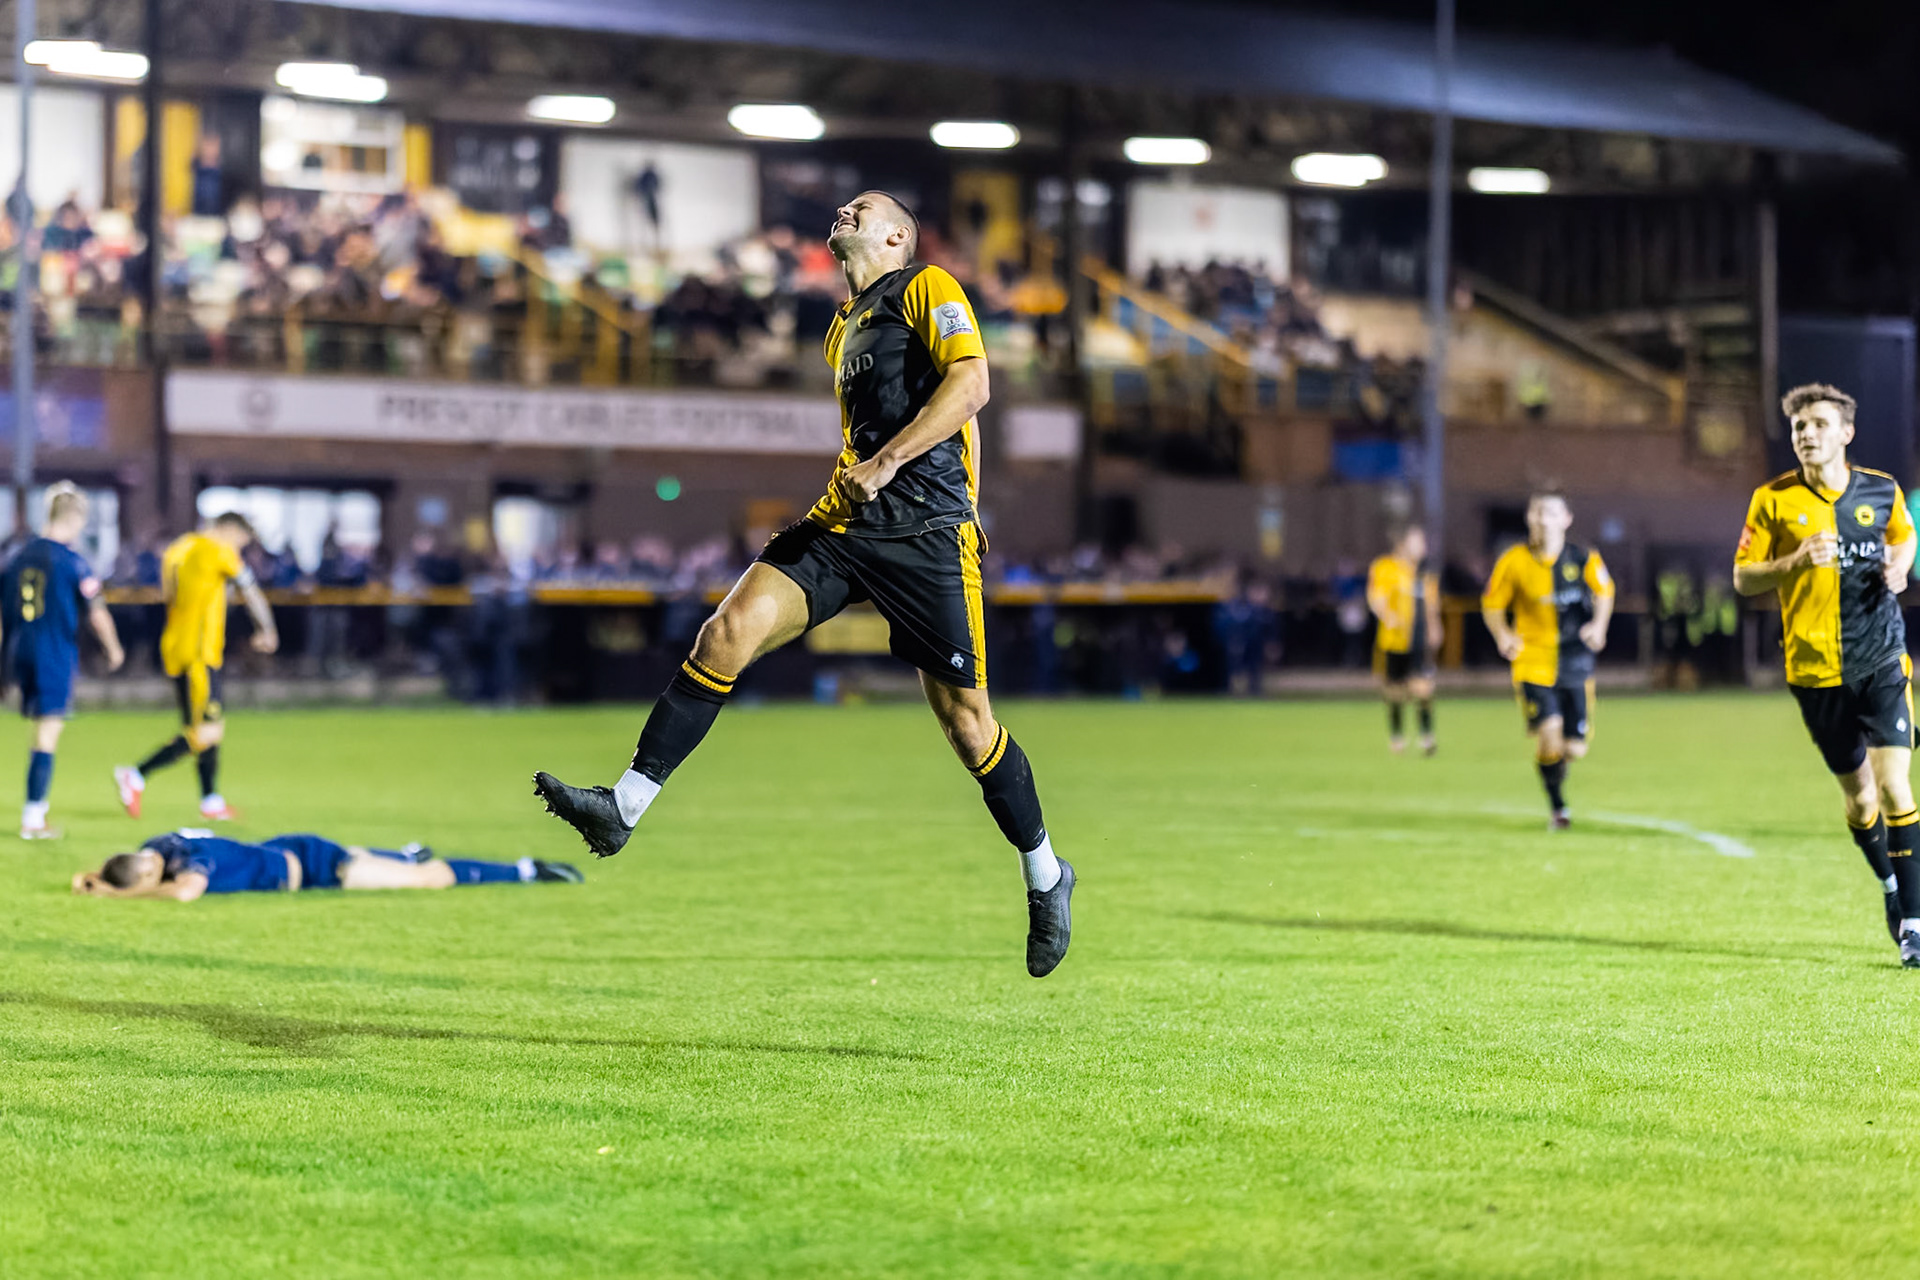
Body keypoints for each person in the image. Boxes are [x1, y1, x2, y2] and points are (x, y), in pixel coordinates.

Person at [534, 191, 1076, 977]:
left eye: (864, 208)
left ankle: (1046, 874)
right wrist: (871, 471)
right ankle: (623, 808)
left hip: (925, 532)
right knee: (725, 632)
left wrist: (918, 480)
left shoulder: (930, 287)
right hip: (845, 523)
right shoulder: (839, 329)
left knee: (967, 727)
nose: (845, 211)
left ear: (896, 234)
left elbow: (973, 390)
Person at [1733, 383, 1920, 963]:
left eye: (1818, 424)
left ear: (1846, 433)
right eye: (1798, 427)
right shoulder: (1772, 500)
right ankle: (1891, 886)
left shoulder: (1880, 491)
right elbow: (1743, 578)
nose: (1806, 434)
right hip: (1815, 674)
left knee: (1894, 785)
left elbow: (1904, 537)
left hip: (1882, 658)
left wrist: (1901, 567)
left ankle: (1914, 924)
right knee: (1861, 801)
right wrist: (1790, 562)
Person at [114, 512, 279, 821]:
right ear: (231, 530)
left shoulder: (179, 548)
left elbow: (170, 594)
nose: (240, 550)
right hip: (200, 655)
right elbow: (251, 590)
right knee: (207, 730)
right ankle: (136, 774)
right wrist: (267, 629)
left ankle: (210, 801)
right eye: (241, 542)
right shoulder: (217, 550)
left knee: (202, 725)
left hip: (175, 647)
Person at [1481, 491, 1615, 829]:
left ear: (1566, 519)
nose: (1543, 519)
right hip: (1532, 661)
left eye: (1551, 512)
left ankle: (1554, 770)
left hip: (1575, 661)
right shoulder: (1513, 561)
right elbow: (1493, 603)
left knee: (1575, 749)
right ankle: (1559, 809)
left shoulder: (1583, 557)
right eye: (1537, 512)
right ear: (1529, 518)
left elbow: (1604, 591)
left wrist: (1598, 626)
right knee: (1549, 735)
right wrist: (1503, 635)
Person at [0, 483, 125, 838]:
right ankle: (34, 818)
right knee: (47, 732)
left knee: (39, 729)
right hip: (52, 652)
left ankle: (34, 814)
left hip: (18, 649)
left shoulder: (17, 556)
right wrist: (113, 648)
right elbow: (97, 611)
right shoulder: (72, 561)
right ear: (77, 519)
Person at [72, 829, 581, 901]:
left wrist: (117, 894)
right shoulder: (158, 842)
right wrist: (93, 877)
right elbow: (128, 866)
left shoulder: (187, 861)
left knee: (428, 881)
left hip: (314, 865)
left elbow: (185, 891)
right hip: (289, 850)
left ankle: (525, 870)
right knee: (397, 865)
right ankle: (403, 852)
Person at [1367, 524, 1441, 754]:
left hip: (1419, 641)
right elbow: (1376, 596)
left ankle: (1427, 738)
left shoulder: (1426, 573)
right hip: (1394, 641)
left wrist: (1435, 627)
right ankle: (1397, 738)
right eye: (1418, 542)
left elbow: (1431, 606)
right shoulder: (1385, 567)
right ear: (1403, 544)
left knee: (1424, 689)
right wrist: (1387, 616)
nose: (1422, 547)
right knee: (1395, 692)